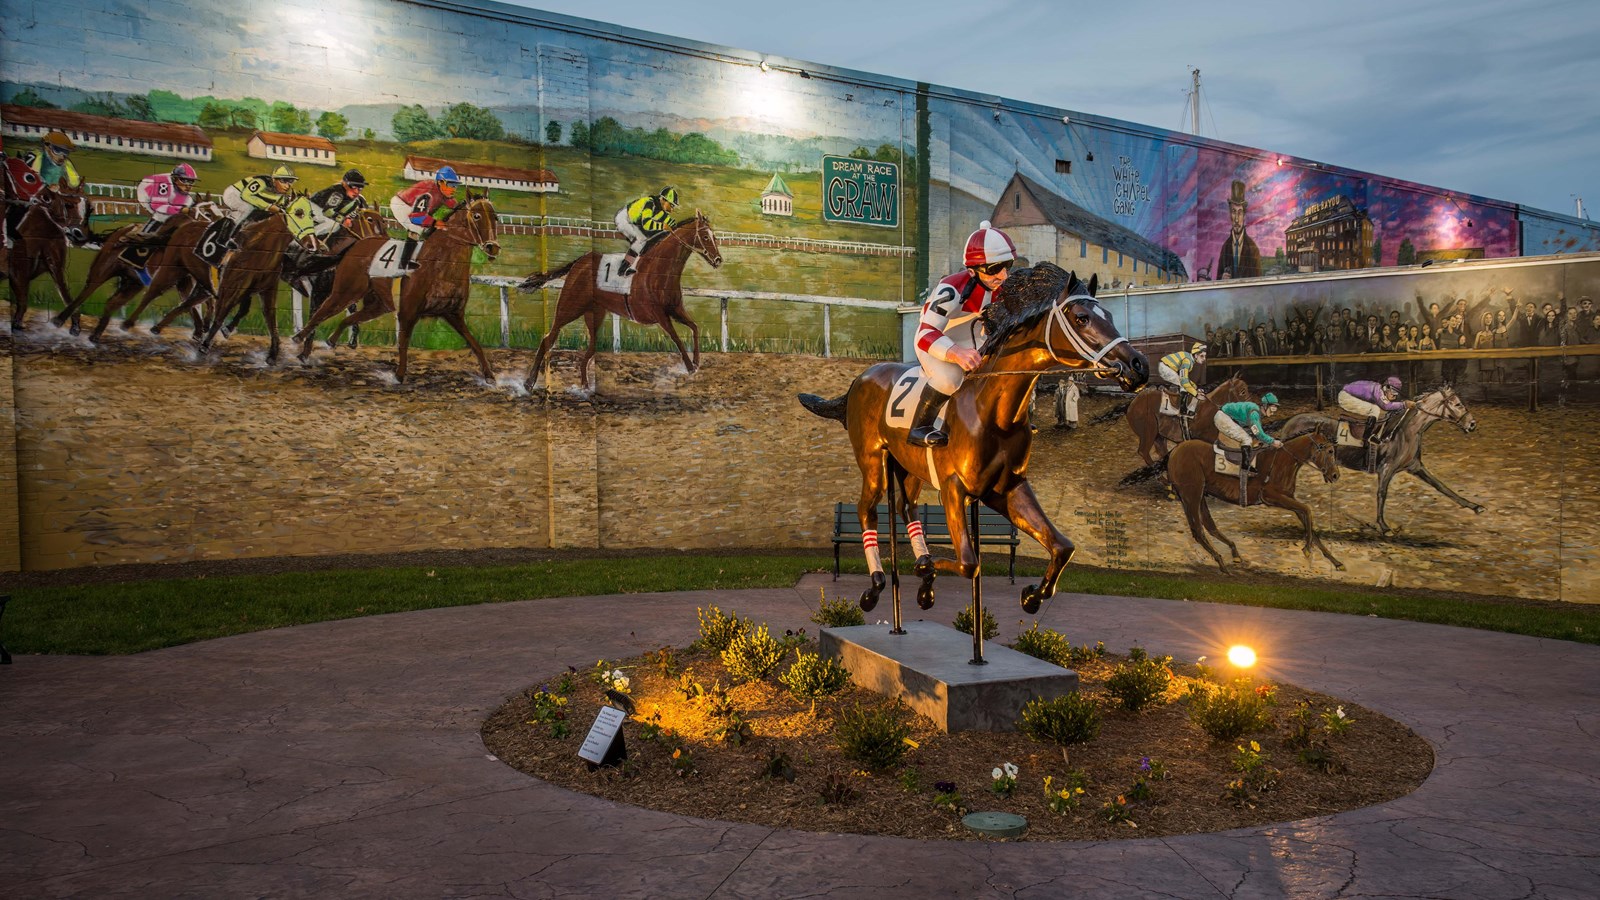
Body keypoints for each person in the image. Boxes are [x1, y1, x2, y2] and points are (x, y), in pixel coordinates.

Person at [907, 220, 1016, 447]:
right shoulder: (952, 288)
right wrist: (955, 353)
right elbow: (925, 332)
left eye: (1007, 265)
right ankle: (920, 427)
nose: (1003, 276)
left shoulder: (1003, 290)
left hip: (973, 343)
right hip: (939, 342)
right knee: (950, 378)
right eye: (994, 269)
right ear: (972, 271)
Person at [215, 164, 299, 255]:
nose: (287, 185)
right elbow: (245, 195)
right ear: (274, 179)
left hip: (250, 199)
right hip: (235, 193)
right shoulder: (261, 181)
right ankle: (223, 239)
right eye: (284, 181)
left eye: (290, 181)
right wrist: (268, 206)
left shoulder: (283, 195)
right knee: (247, 208)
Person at [390, 165, 463, 268]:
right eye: (450, 185)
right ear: (440, 183)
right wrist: (435, 223)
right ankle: (404, 263)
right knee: (417, 228)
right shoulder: (427, 192)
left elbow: (456, 206)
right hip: (401, 205)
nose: (453, 189)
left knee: (427, 228)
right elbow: (416, 218)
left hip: (414, 209)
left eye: (455, 186)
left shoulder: (443, 192)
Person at [1215, 392, 1280, 494]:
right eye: (1272, 409)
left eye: (1275, 409)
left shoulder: (1255, 411)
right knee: (1247, 440)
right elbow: (1259, 434)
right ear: (1265, 406)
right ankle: (1245, 468)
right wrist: (1272, 441)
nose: (1273, 413)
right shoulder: (1254, 413)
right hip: (1223, 418)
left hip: (1227, 417)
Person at [614, 186, 679, 276]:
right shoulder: (649, 203)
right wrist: (662, 226)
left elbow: (672, 224)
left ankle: (632, 262)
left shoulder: (661, 211)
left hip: (634, 222)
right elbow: (646, 224)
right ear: (663, 200)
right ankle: (622, 270)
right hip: (624, 218)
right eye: (671, 205)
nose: (672, 209)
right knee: (640, 240)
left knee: (646, 239)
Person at [1338, 376, 1412, 447]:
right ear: (1386, 387)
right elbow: (1386, 406)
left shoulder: (1380, 389)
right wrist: (1403, 404)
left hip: (1350, 395)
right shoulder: (1377, 391)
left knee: (1378, 410)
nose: (1394, 395)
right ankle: (1367, 436)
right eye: (1393, 391)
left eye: (1396, 393)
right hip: (1345, 397)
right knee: (1375, 409)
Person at [133, 163, 199, 235]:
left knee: (186, 207)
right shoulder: (163, 182)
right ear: (175, 178)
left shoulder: (182, 191)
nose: (188, 185)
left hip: (171, 192)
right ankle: (144, 234)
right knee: (163, 215)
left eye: (191, 181)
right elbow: (158, 206)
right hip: (146, 196)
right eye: (184, 180)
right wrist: (180, 210)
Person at [1216, 179, 1261, 279]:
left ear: (1244, 215)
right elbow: (1217, 279)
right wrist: (1221, 278)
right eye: (1233, 212)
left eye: (1239, 212)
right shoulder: (1225, 247)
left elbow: (1259, 285)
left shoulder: (1252, 249)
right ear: (1229, 214)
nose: (1236, 219)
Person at [309, 169, 369, 242]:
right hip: (313, 207)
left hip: (324, 212)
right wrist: (343, 220)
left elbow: (367, 213)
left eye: (360, 188)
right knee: (333, 225)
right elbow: (327, 211)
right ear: (344, 184)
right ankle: (310, 238)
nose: (356, 191)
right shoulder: (338, 193)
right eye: (353, 187)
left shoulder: (359, 200)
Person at [1157, 342, 1207, 416]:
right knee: (1184, 385)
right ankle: (1183, 410)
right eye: (1202, 356)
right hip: (1165, 368)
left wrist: (1195, 387)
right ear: (1196, 355)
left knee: (1187, 384)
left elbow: (1185, 378)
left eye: (1205, 356)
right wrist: (1196, 394)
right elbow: (1184, 381)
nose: (1204, 359)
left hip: (1167, 367)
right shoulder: (1187, 360)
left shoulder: (1189, 359)